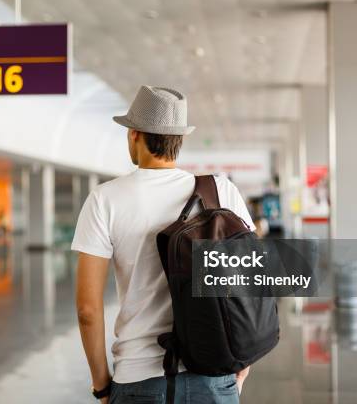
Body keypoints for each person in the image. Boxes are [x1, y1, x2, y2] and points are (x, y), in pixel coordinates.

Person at [72, 86, 254, 403]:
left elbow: (88, 309)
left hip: (137, 378)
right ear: (179, 140)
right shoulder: (222, 191)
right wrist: (243, 358)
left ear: (134, 135)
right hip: (213, 372)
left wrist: (101, 385)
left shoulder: (104, 199)